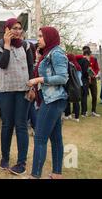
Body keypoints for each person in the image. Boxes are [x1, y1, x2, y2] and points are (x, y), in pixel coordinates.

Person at [0, 18, 33, 175]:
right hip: (5, 90)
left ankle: (21, 163)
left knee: (21, 125)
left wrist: (32, 87)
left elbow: (30, 67)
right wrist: (7, 45)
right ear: (7, 29)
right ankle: (5, 158)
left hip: (23, 90)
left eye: (19, 28)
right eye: (14, 28)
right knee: (7, 125)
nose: (17, 31)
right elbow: (2, 64)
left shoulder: (27, 45)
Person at [27, 26, 69, 179]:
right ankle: (57, 173)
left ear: (49, 37)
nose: (38, 39)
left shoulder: (56, 53)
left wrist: (39, 79)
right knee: (56, 138)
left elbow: (63, 78)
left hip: (53, 100)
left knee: (39, 138)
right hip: (51, 99)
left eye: (41, 36)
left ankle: (35, 175)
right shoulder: (48, 52)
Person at [77, 46, 101, 117]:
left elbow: (97, 68)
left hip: (93, 79)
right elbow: (75, 56)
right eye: (84, 51)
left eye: (87, 51)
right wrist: (84, 56)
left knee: (94, 95)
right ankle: (84, 111)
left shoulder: (94, 59)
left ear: (90, 52)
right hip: (85, 79)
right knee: (84, 95)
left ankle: (94, 111)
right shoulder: (81, 58)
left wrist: (94, 74)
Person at [64, 54, 82, 122]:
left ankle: (68, 114)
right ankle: (76, 117)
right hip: (78, 85)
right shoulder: (77, 66)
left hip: (71, 85)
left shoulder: (69, 66)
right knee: (76, 101)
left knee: (67, 100)